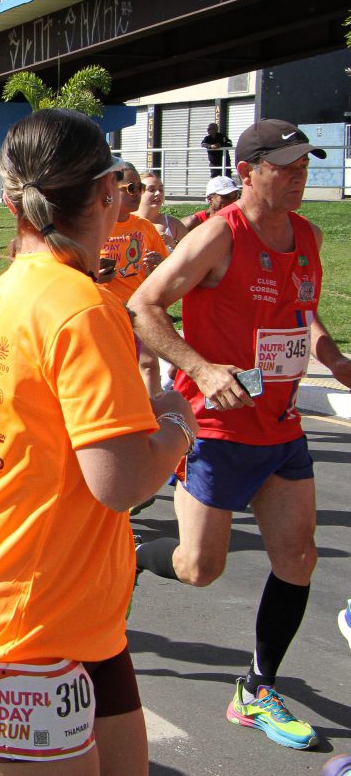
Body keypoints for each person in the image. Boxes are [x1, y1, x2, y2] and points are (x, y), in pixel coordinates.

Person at [0, 107, 197, 775]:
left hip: (81, 624)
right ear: (108, 193)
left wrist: (24, 476)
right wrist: (176, 420)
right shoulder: (85, 308)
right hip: (19, 633)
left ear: (9, 200)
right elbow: (120, 482)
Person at [128, 119, 344, 752]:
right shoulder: (218, 236)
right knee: (200, 568)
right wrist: (199, 367)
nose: (301, 175)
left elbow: (302, 311)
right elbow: (143, 305)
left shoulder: (308, 235)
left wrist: (334, 361)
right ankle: (126, 553)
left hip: (280, 425)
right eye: (287, 165)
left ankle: (256, 689)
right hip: (217, 427)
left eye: (306, 164)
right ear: (248, 172)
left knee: (298, 557)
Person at [98, 162, 168, 395]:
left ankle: (155, 412)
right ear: (110, 189)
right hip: (103, 310)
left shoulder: (145, 227)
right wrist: (94, 276)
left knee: (148, 362)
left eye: (140, 188)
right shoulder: (95, 226)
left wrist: (159, 263)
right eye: (130, 188)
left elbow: (165, 271)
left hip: (137, 309)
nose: (137, 193)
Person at [137, 171, 186, 251]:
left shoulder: (174, 225)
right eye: (151, 189)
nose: (158, 193)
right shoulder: (124, 221)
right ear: (138, 193)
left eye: (161, 189)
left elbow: (189, 255)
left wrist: (173, 244)